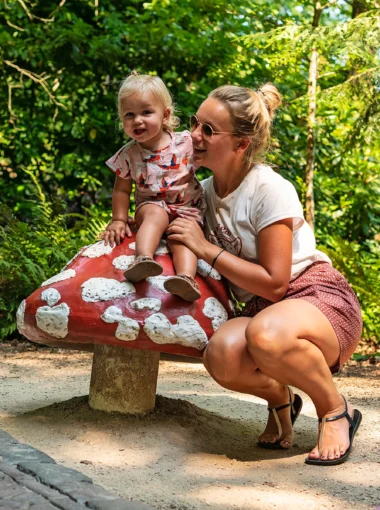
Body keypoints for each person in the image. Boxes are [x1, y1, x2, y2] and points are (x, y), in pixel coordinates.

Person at [166, 83, 362, 465]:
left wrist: (206, 248)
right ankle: (282, 400)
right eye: (194, 123)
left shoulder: (269, 188)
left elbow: (277, 282)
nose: (193, 136)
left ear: (241, 144)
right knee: (221, 354)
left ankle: (336, 409)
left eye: (209, 130)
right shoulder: (201, 192)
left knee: (266, 335)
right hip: (262, 307)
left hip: (315, 297)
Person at [100, 72, 206, 301]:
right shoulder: (129, 154)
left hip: (186, 209)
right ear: (122, 121)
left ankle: (186, 279)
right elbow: (121, 190)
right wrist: (119, 218)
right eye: (130, 115)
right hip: (150, 206)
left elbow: (213, 157)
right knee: (155, 214)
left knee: (183, 236)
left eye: (146, 112)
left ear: (165, 115)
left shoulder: (185, 143)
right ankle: (143, 260)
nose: (137, 120)